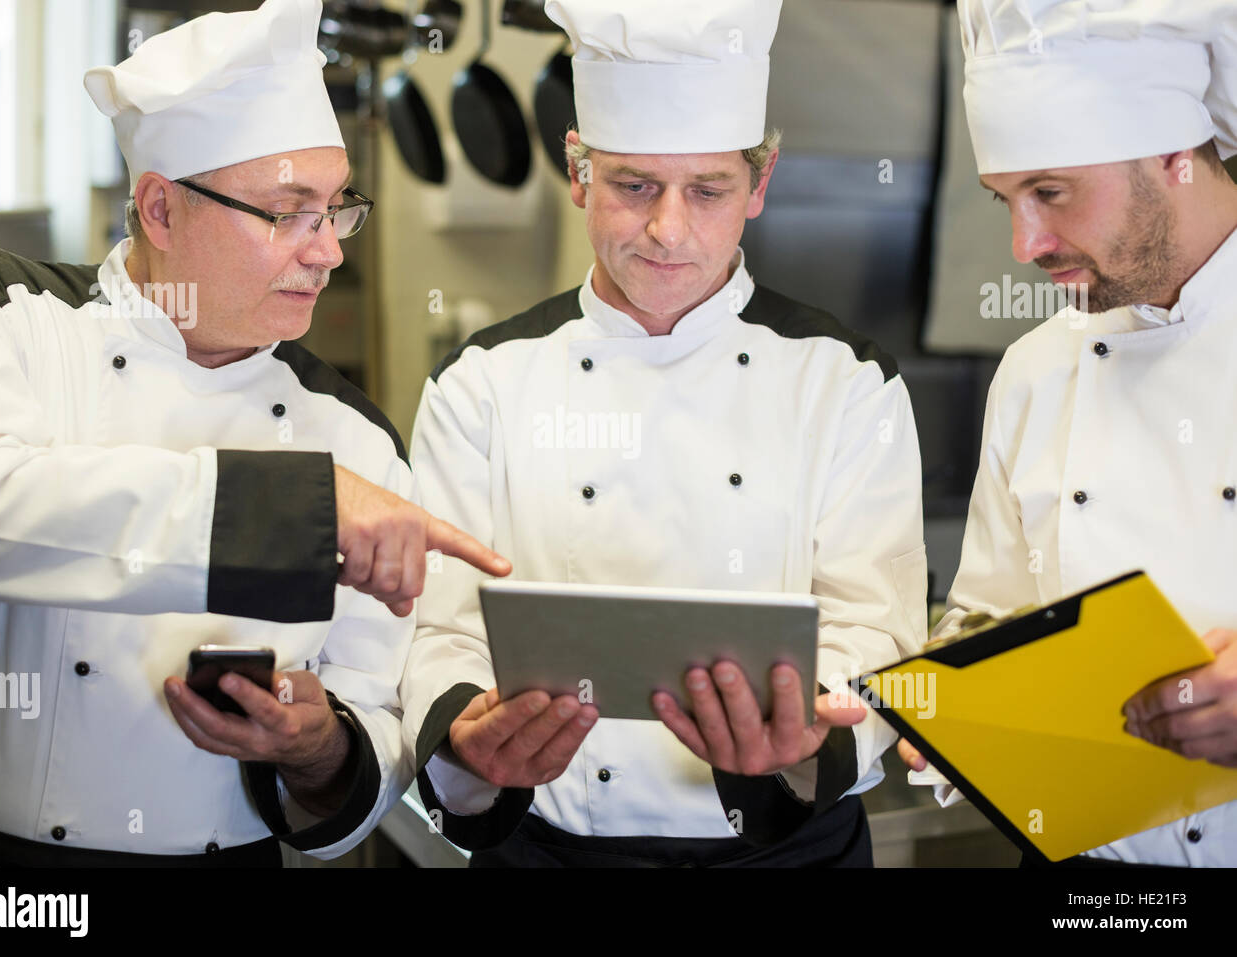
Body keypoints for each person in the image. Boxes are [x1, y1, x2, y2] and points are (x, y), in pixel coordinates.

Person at [0, 0, 506, 866]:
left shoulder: (354, 439)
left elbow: (371, 732)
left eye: (337, 209)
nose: (329, 253)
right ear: (160, 211)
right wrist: (293, 509)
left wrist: (318, 747)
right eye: (288, 213)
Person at [399, 0, 929, 866]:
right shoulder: (482, 381)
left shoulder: (844, 380)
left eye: (709, 190)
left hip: (787, 845)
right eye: (633, 185)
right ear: (578, 170)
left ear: (760, 184)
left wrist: (799, 737)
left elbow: (877, 625)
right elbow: (443, 630)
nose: (667, 230)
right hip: (549, 848)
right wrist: (468, 734)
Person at [900, 0, 1237, 866]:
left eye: (1050, 191)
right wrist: (950, 702)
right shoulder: (1036, 368)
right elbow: (987, 609)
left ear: (1174, 157)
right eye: (1006, 198)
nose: (1023, 243)